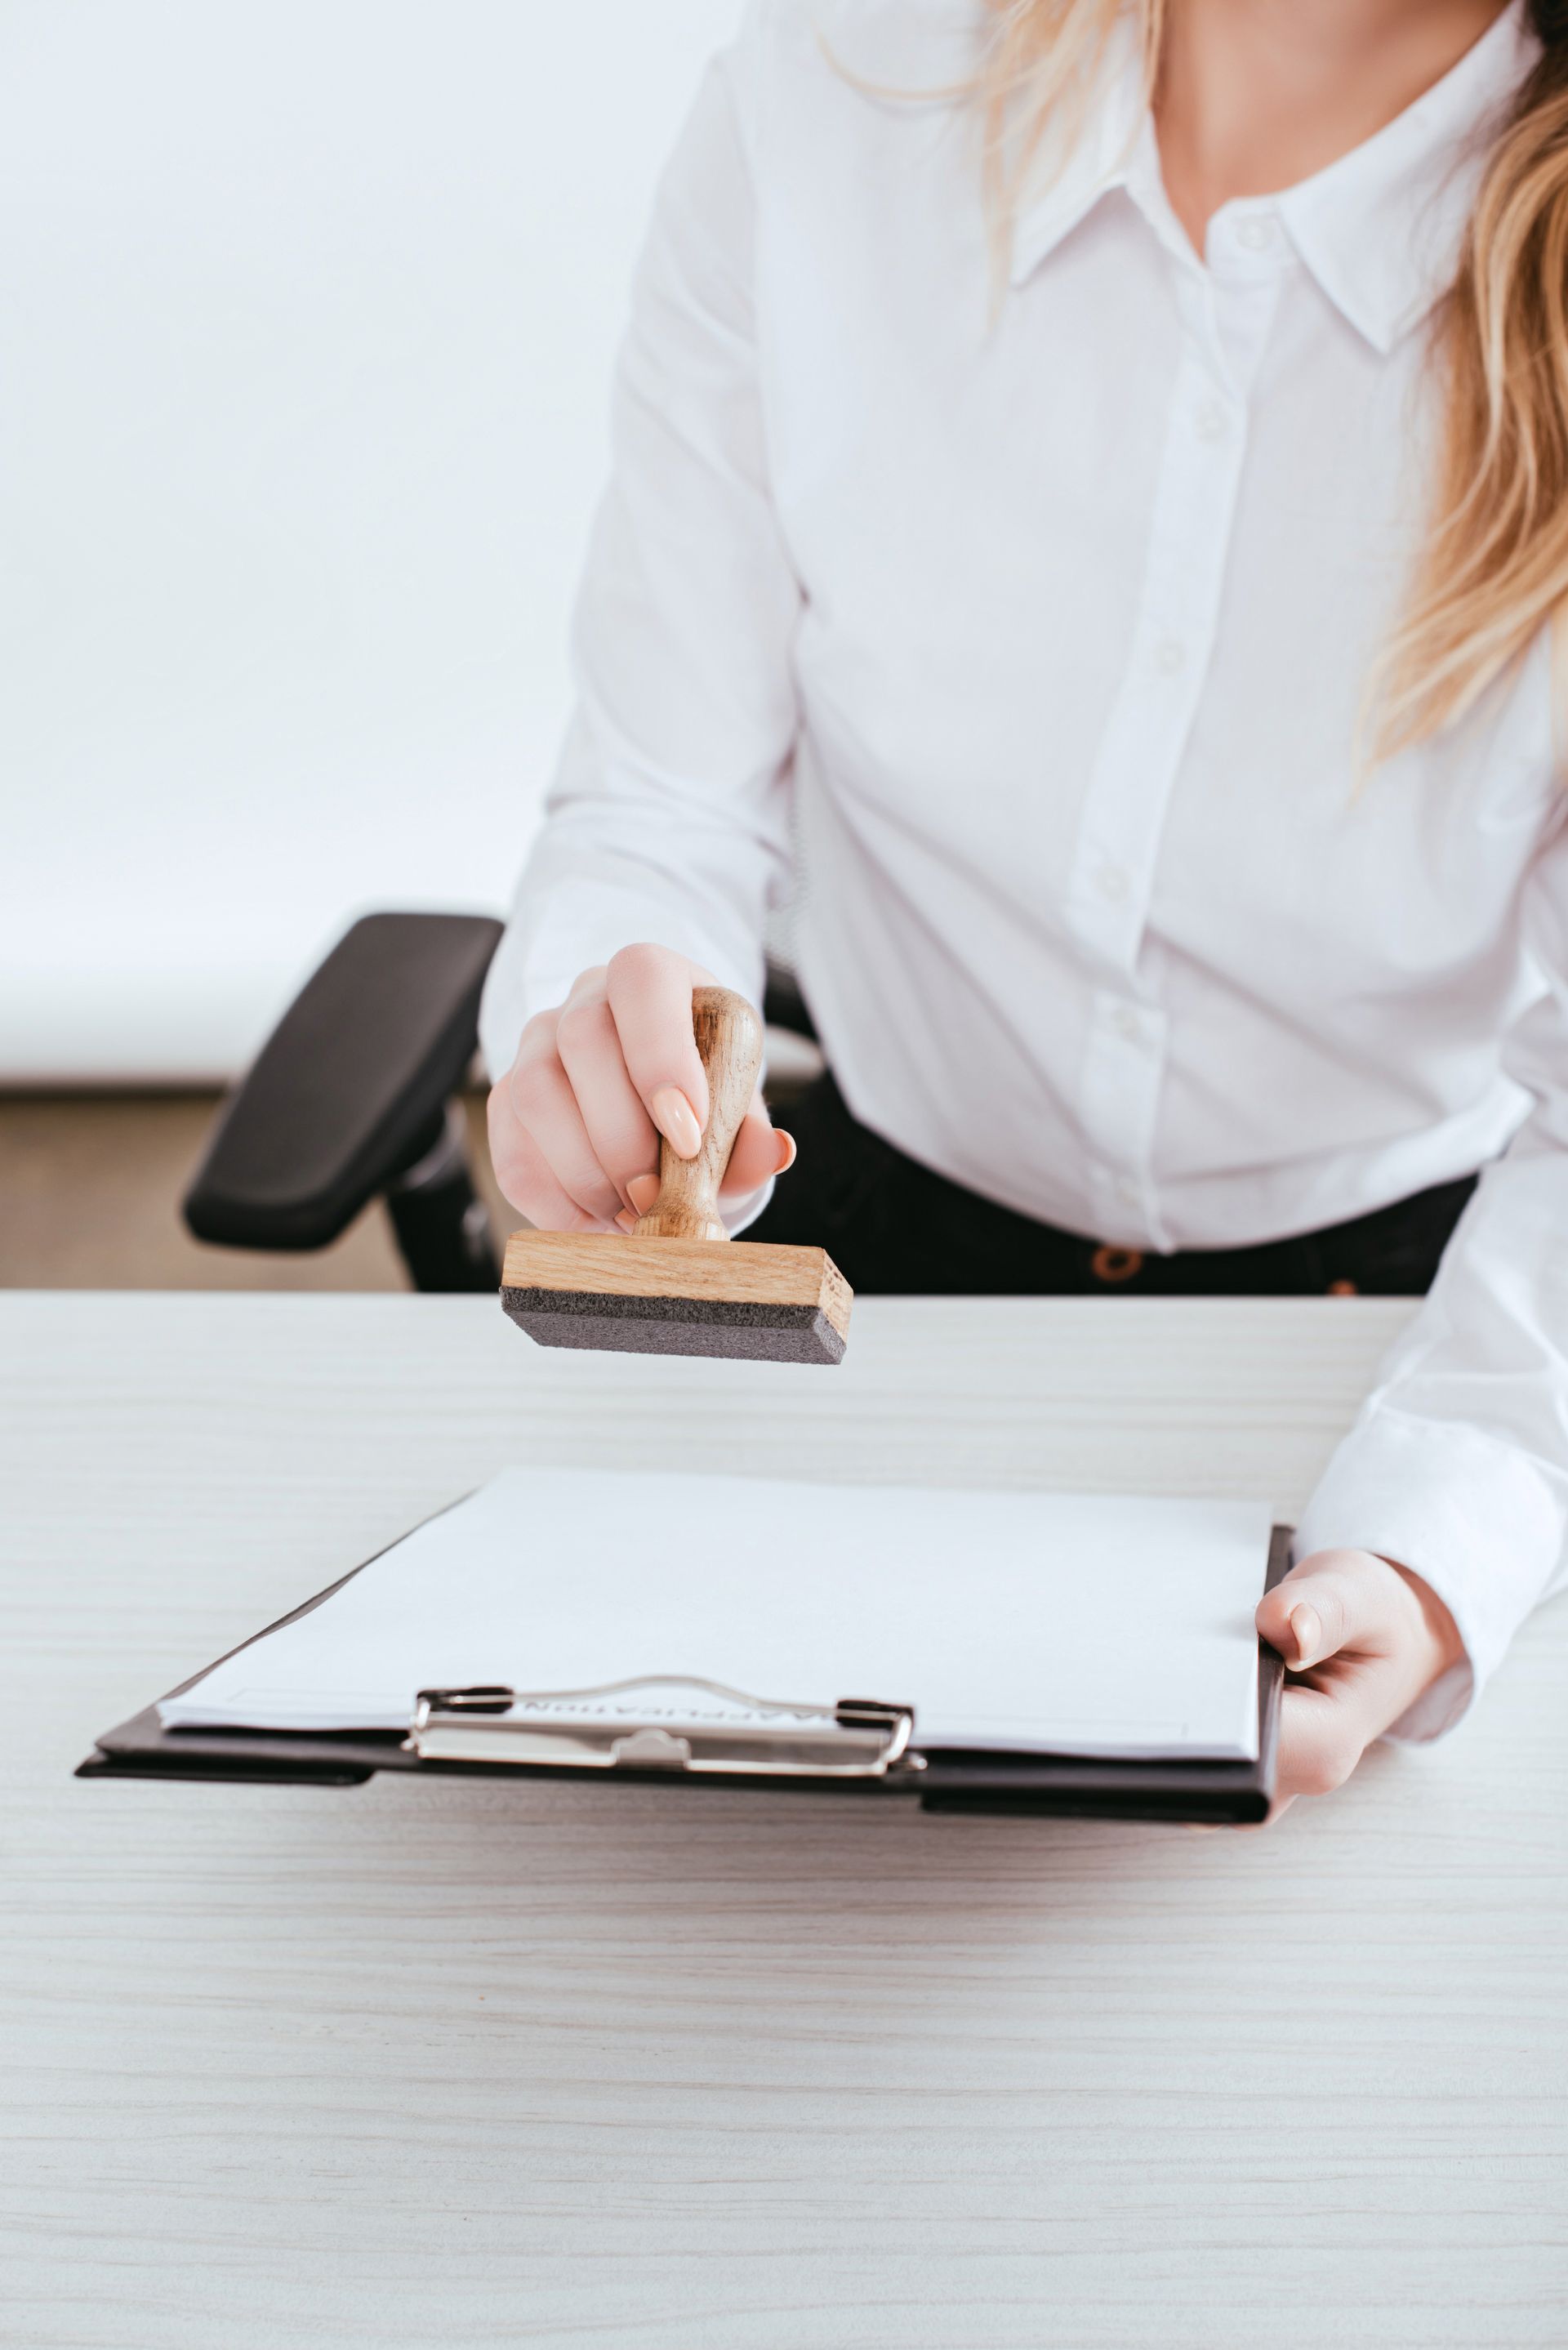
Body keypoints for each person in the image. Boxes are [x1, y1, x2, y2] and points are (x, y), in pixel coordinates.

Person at [480, 0, 1568, 1806]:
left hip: (1415, 1315)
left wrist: (1455, 1531)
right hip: (886, 1261)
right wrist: (604, 1021)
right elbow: (659, 800)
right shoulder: (824, 114)